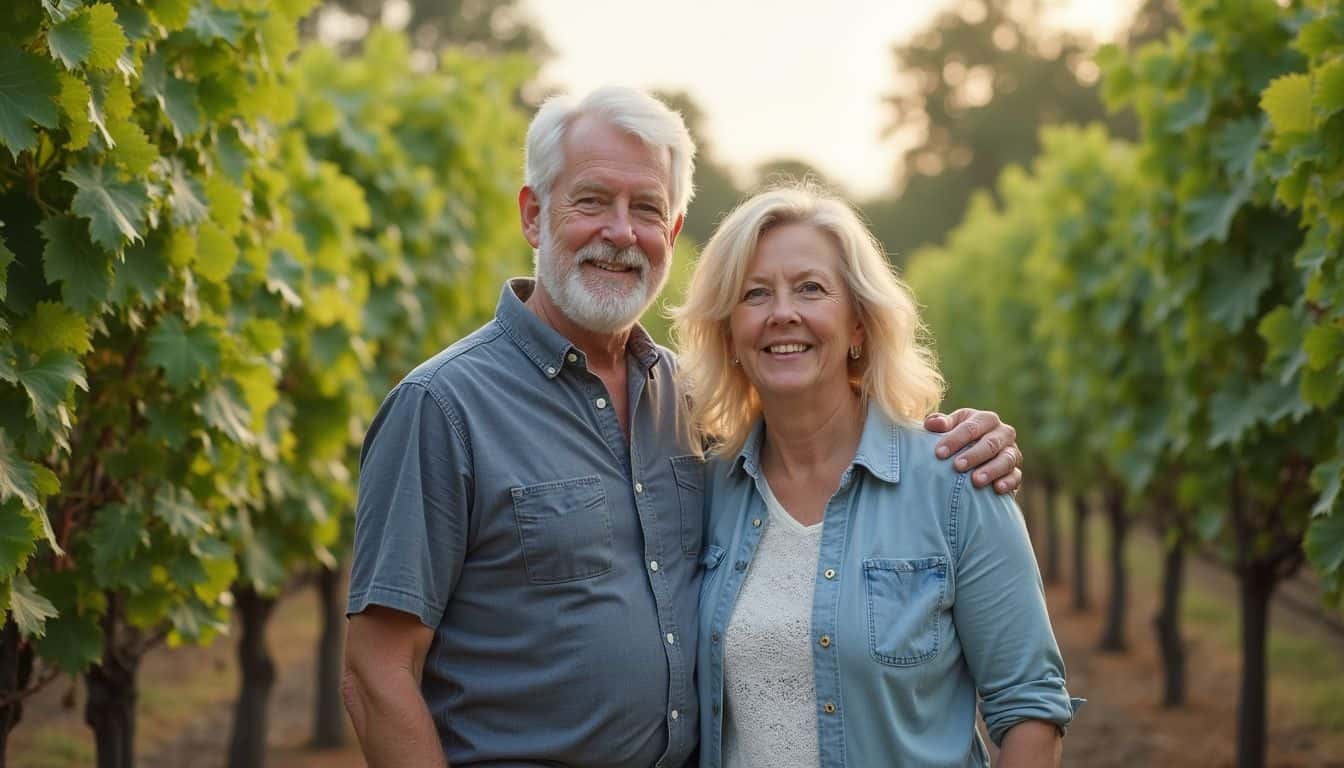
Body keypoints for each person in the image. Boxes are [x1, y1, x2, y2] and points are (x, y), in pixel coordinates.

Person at [341, 87, 1026, 768]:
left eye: (647, 209)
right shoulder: (443, 407)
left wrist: (971, 436)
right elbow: (376, 677)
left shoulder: (695, 408)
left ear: (671, 233)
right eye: (591, 200)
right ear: (533, 213)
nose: (620, 232)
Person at [678, 185, 1077, 768]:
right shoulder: (707, 490)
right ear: (729, 333)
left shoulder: (956, 482)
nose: (782, 312)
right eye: (754, 294)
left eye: (811, 289)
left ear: (859, 324)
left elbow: (1032, 713)